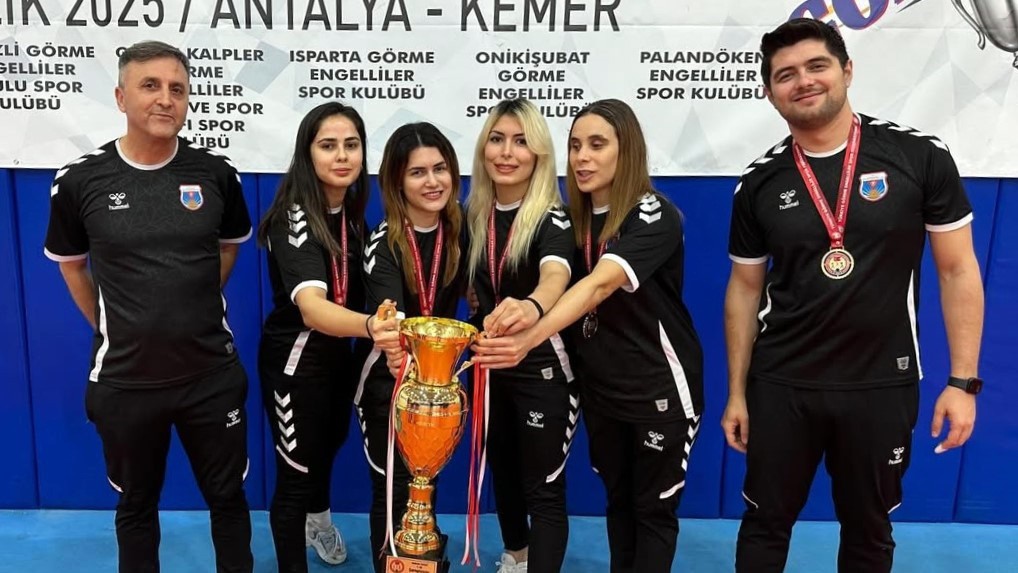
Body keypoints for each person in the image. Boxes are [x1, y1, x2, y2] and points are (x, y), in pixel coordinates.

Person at [722, 18, 984, 573]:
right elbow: (744, 291)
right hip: (781, 383)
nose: (803, 81)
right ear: (770, 93)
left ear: (847, 70)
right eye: (785, 74)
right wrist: (737, 394)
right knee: (764, 527)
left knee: (869, 530)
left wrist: (962, 382)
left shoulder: (918, 157)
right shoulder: (759, 181)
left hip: (880, 384)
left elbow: (958, 270)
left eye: (816, 66)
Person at [43, 41, 254, 573]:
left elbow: (228, 249)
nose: (166, 99)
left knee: (228, 501)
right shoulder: (80, 180)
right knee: (136, 505)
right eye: (151, 86)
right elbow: (72, 266)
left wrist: (193, 301)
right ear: (121, 97)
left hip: (211, 376)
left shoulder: (216, 174)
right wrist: (114, 324)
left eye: (177, 89)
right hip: (126, 382)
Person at [474, 99, 704, 573]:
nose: (582, 157)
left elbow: (598, 285)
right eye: (576, 145)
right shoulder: (576, 221)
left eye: (597, 145)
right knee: (618, 504)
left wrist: (529, 335)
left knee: (652, 511)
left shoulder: (653, 213)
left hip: (659, 389)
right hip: (602, 389)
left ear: (627, 150)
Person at [257, 102, 399, 572]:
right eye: (328, 145)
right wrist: (371, 326)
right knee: (295, 475)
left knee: (325, 451)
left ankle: (317, 524)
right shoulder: (293, 218)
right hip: (296, 366)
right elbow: (314, 308)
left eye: (351, 145)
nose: (342, 156)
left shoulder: (352, 218)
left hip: (340, 362)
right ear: (308, 154)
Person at [465, 99, 577, 573]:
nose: (507, 152)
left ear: (539, 154)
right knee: (504, 472)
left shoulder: (552, 217)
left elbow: (555, 277)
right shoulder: (473, 216)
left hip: (542, 369)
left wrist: (531, 306)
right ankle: (516, 554)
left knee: (543, 488)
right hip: (490, 367)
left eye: (520, 141)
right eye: (497, 139)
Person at [353, 122, 466, 573]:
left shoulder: (460, 232)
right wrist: (401, 357)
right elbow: (391, 324)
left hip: (438, 385)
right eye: (417, 172)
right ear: (397, 181)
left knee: (424, 484)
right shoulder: (383, 242)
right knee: (393, 489)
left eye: (440, 168)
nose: (432, 181)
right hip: (390, 383)